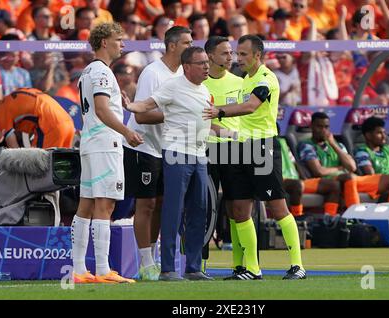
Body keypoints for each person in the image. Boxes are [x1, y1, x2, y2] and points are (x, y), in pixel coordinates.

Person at [203, 35, 306, 280]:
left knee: (277, 206)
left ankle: (297, 266)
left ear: (257, 55)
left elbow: (251, 106)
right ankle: (250, 268)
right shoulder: (244, 80)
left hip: (262, 147)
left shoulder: (266, 79)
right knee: (239, 209)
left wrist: (219, 112)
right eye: (237, 54)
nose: (238, 58)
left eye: (243, 54)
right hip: (238, 147)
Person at [124, 46, 214, 281]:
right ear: (187, 67)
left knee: (199, 210)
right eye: (201, 63)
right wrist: (131, 106)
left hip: (199, 155)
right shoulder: (173, 86)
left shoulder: (205, 90)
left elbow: (204, 121)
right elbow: (147, 105)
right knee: (173, 210)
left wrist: (229, 131)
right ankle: (167, 269)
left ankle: (193, 267)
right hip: (176, 154)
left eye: (207, 62)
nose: (206, 66)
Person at [70, 22, 143, 284]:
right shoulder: (101, 72)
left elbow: (100, 106)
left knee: (86, 205)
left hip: (91, 143)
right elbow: (101, 109)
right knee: (106, 204)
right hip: (105, 144)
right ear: (104, 42)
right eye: (118, 39)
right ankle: (102, 269)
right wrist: (126, 131)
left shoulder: (90, 71)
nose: (122, 44)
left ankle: (78, 269)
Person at [123, 26, 192, 281]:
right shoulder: (153, 73)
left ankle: (151, 258)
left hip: (169, 148)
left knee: (163, 203)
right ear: (172, 46)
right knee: (146, 203)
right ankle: (145, 261)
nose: (191, 46)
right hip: (144, 145)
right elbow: (141, 114)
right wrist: (179, 115)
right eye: (187, 42)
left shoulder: (185, 74)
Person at [298, 112, 389, 208]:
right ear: (311, 126)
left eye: (326, 127)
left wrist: (333, 144)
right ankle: (354, 215)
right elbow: (319, 171)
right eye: (319, 127)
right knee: (349, 176)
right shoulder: (307, 146)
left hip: (352, 179)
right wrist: (340, 168)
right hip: (327, 181)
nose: (323, 130)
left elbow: (352, 167)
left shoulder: (338, 145)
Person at [203, 36, 243, 275]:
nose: (231, 57)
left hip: (234, 149)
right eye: (225, 53)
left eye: (232, 53)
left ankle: (242, 263)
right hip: (205, 149)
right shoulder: (199, 83)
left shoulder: (239, 82)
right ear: (210, 56)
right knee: (203, 205)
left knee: (238, 205)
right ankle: (198, 264)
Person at [0, 88, 74, 149]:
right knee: (63, 165)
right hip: (68, 122)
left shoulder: (1, 110)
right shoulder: (13, 97)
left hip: (50, 127)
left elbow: (11, 143)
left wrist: (19, 164)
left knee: (41, 167)